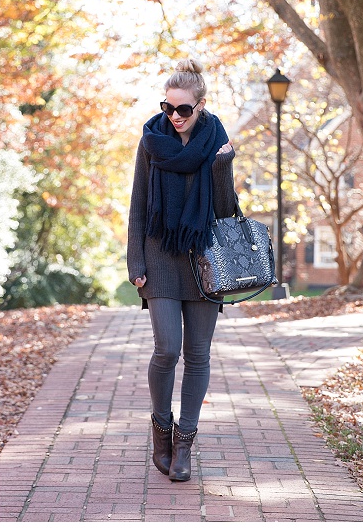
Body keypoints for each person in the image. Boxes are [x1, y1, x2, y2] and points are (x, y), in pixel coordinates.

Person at [127, 59, 238, 482]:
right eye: (168, 107)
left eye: (183, 109)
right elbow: (138, 203)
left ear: (201, 106)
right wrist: (135, 261)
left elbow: (225, 211)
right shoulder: (151, 140)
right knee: (167, 349)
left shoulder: (217, 140)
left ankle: (184, 442)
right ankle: (160, 429)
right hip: (159, 256)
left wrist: (222, 167)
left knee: (198, 355)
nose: (174, 116)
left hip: (205, 259)